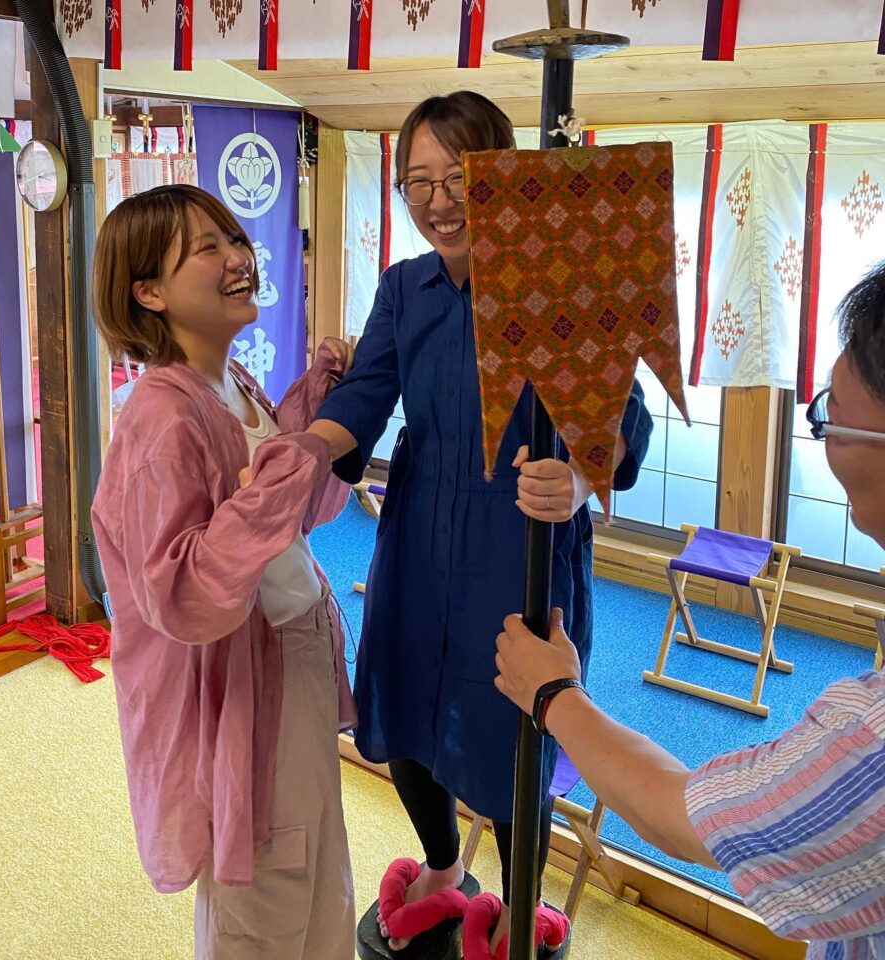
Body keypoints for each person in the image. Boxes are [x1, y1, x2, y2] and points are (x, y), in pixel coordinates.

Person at [307, 91, 654, 952]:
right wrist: (297, 453)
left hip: (520, 541)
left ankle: (520, 899)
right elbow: (365, 396)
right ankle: (440, 866)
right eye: (416, 181)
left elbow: (627, 411)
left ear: (505, 173)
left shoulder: (560, 279)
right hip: (419, 531)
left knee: (515, 731)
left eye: (458, 175)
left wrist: (578, 480)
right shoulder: (403, 287)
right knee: (405, 709)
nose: (437, 200)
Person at [494, 262, 885, 959]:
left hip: (551, 580)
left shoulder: (869, 740)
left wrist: (588, 470)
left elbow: (691, 815)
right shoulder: (424, 295)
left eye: (827, 415)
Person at [89, 184, 356, 960]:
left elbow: (292, 511)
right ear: (150, 291)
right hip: (242, 689)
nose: (237, 257)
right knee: (264, 881)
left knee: (316, 865)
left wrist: (314, 414)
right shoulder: (159, 418)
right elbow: (180, 594)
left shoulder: (231, 384)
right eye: (207, 248)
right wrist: (281, 472)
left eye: (235, 239)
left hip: (291, 654)